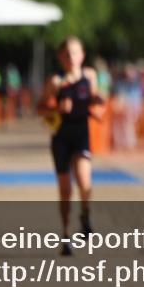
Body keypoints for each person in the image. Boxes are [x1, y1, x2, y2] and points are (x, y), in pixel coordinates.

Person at [37, 37, 104, 256]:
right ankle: (66, 236)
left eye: (75, 53)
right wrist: (57, 109)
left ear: (82, 55)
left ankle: (86, 214)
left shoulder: (90, 76)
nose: (71, 58)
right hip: (61, 138)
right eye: (66, 54)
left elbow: (99, 100)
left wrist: (98, 102)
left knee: (85, 182)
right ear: (60, 57)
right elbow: (40, 109)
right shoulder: (55, 81)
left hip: (81, 134)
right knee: (65, 191)